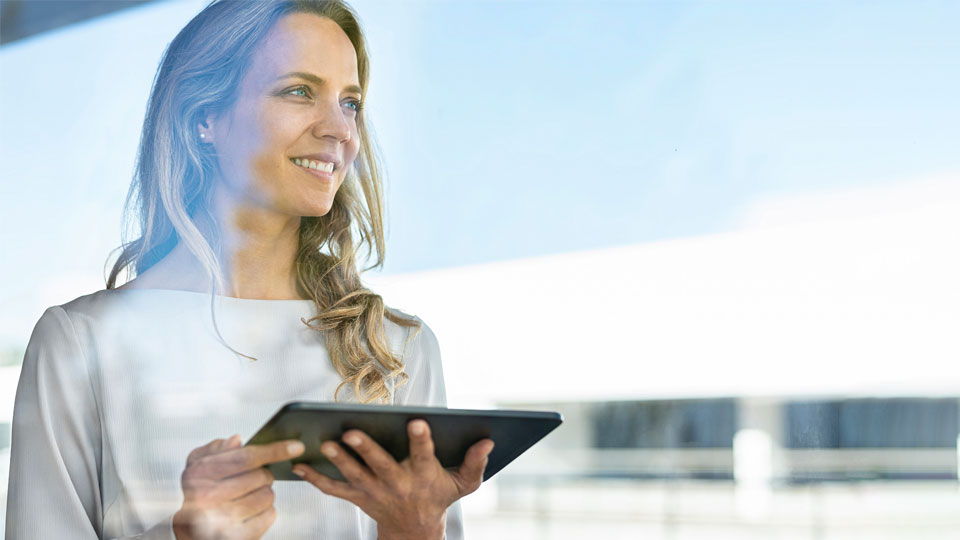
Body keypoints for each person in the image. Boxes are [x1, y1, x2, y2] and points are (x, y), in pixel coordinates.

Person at [4, 1, 493, 538]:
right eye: (299, 91)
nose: (339, 130)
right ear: (204, 119)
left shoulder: (395, 350)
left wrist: (415, 532)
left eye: (350, 102)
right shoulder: (78, 344)